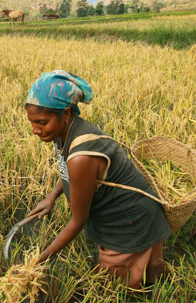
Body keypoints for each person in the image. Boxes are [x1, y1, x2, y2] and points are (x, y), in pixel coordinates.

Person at [24, 70, 170, 288]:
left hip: (131, 219)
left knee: (121, 289)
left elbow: (77, 221)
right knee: (122, 280)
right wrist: (52, 196)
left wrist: (39, 261)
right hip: (122, 211)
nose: (35, 130)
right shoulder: (66, 131)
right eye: (32, 122)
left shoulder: (82, 156)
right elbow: (70, 172)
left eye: (42, 122)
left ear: (65, 114)